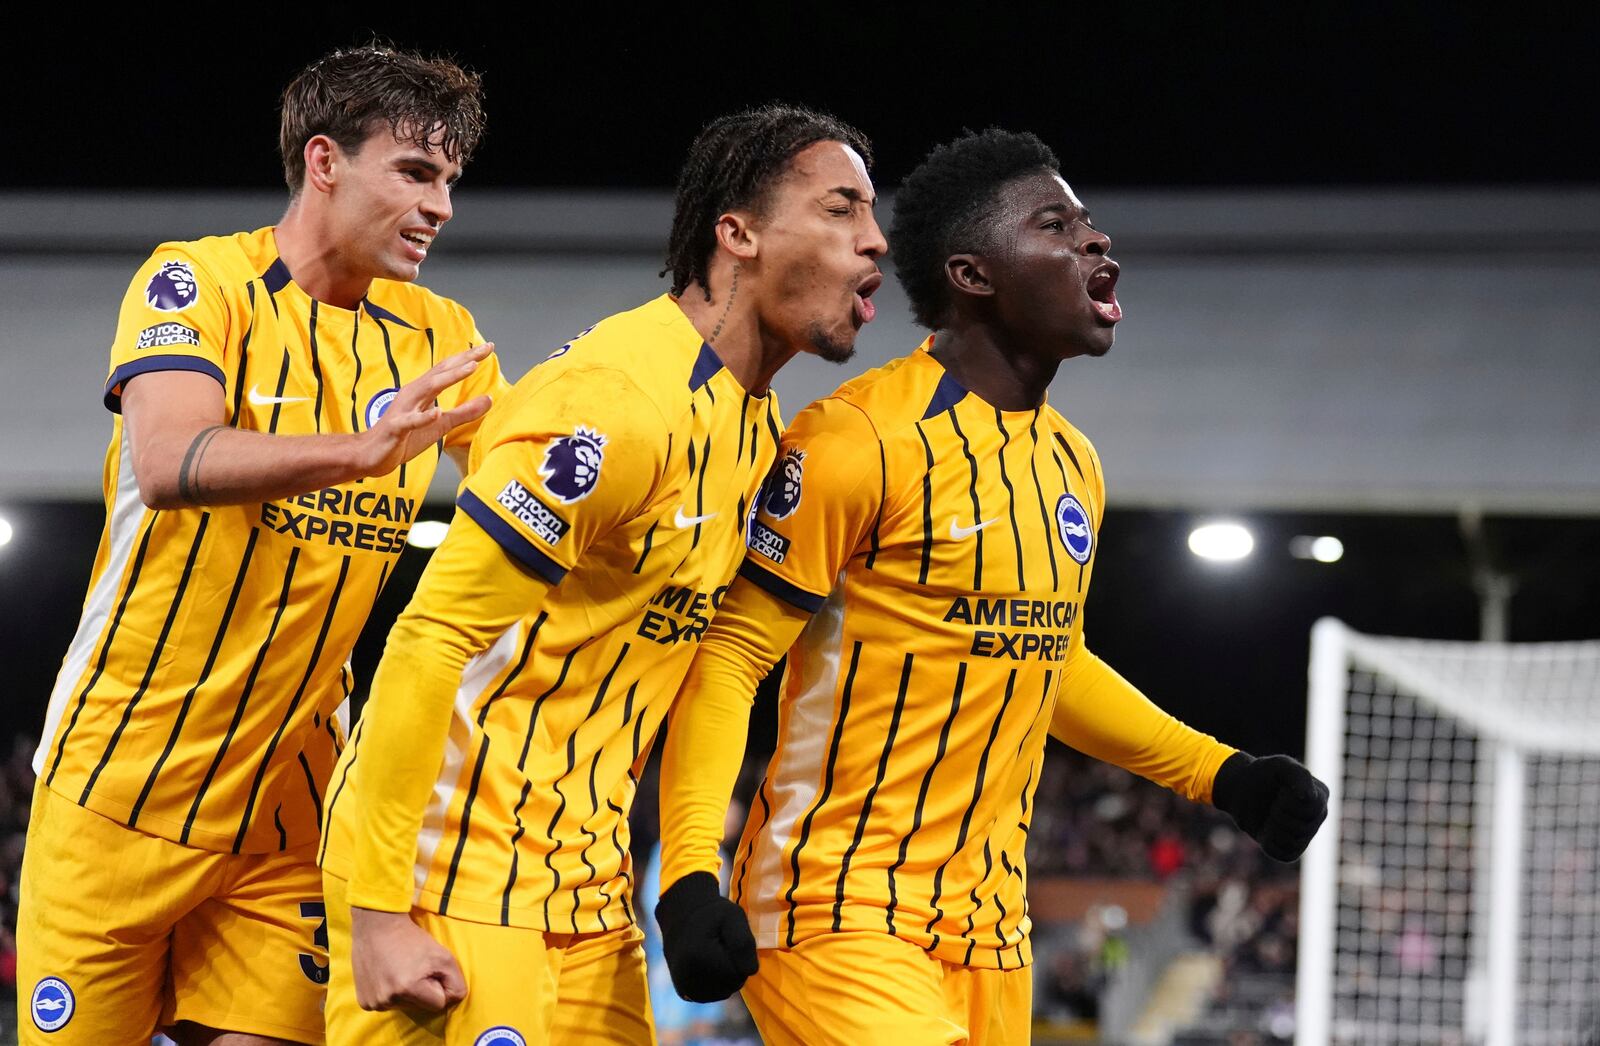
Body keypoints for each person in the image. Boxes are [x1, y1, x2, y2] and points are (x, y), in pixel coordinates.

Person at [653, 129, 1330, 1043]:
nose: (1095, 242)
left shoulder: (1072, 465)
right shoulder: (857, 440)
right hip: (836, 908)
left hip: (992, 932)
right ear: (974, 276)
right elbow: (732, 658)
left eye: (1090, 223)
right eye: (1055, 225)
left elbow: (1049, 660)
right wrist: (690, 874)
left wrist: (1224, 775)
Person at [315, 103, 886, 1045]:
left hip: (587, 899)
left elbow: (712, 667)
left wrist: (689, 871)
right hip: (449, 883)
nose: (875, 242)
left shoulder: (752, 430)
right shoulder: (619, 407)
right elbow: (428, 638)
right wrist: (378, 911)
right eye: (841, 210)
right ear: (735, 233)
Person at [18, 45, 502, 1046]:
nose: (441, 205)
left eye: (449, 180)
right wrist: (361, 451)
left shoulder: (439, 333)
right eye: (416, 172)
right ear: (324, 161)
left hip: (292, 809)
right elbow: (168, 457)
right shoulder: (199, 281)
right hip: (118, 786)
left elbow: (539, 474)